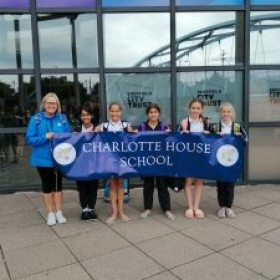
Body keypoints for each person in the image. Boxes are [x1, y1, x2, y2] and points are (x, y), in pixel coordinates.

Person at [25, 92, 71, 226]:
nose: (51, 105)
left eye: (54, 103)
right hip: (42, 159)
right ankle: (50, 213)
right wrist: (45, 136)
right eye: (49, 103)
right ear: (44, 104)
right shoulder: (36, 119)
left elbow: (68, 137)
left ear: (57, 105)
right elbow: (29, 139)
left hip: (59, 158)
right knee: (47, 186)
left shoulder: (62, 119)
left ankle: (59, 211)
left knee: (58, 186)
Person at [95, 102, 133, 225]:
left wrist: (134, 132)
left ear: (120, 112)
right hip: (109, 160)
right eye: (112, 111)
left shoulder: (126, 125)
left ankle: (121, 211)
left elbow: (133, 139)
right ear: (109, 112)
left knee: (121, 185)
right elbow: (94, 135)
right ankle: (114, 212)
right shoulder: (104, 126)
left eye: (117, 111)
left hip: (122, 160)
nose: (115, 113)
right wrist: (95, 130)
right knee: (112, 186)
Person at [138, 103, 175, 220]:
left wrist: (169, 136)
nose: (153, 114)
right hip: (148, 160)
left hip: (161, 161)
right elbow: (137, 142)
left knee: (162, 185)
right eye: (151, 112)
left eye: (155, 112)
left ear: (159, 113)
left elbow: (169, 144)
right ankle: (147, 208)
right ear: (147, 114)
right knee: (148, 185)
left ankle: (166, 209)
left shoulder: (164, 127)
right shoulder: (142, 127)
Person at [211, 102, 247, 218]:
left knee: (230, 185)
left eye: (228, 111)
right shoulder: (215, 127)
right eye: (223, 111)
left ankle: (229, 207)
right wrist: (214, 136)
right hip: (219, 161)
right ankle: (221, 207)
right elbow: (208, 142)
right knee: (220, 185)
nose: (226, 113)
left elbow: (245, 140)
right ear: (220, 113)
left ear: (232, 113)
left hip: (232, 161)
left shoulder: (237, 127)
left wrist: (239, 137)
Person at [180, 98, 210, 219]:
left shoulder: (206, 122)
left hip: (201, 156)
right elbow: (177, 141)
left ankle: (196, 207)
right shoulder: (184, 122)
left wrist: (210, 134)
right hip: (188, 157)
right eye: (193, 108)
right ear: (189, 108)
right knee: (188, 181)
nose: (195, 110)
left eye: (198, 108)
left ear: (202, 109)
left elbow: (213, 140)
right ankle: (190, 207)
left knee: (199, 181)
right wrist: (182, 134)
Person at [73, 102, 99, 222]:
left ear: (92, 116)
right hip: (80, 164)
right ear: (80, 117)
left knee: (93, 187)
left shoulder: (98, 129)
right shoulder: (76, 130)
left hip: (94, 164)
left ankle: (92, 208)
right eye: (83, 115)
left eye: (88, 115)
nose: (86, 117)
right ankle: (84, 209)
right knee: (82, 187)